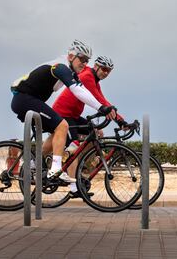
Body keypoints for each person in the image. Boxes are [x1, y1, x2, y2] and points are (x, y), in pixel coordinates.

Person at [10, 40, 112, 183]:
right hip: (24, 99)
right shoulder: (60, 66)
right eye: (82, 59)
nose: (84, 63)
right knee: (63, 125)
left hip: (30, 101)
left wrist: (102, 107)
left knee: (61, 131)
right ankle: (55, 169)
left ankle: (33, 165)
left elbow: (82, 89)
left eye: (87, 60)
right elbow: (76, 90)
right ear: (71, 56)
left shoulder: (70, 71)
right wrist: (100, 107)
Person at [52, 55, 128, 197]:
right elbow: (100, 101)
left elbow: (102, 100)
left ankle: (75, 164)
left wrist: (119, 119)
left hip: (73, 116)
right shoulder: (87, 76)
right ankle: (74, 187)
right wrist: (120, 120)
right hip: (63, 114)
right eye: (104, 69)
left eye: (109, 71)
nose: (106, 73)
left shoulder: (95, 80)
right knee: (72, 151)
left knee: (97, 133)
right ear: (96, 67)